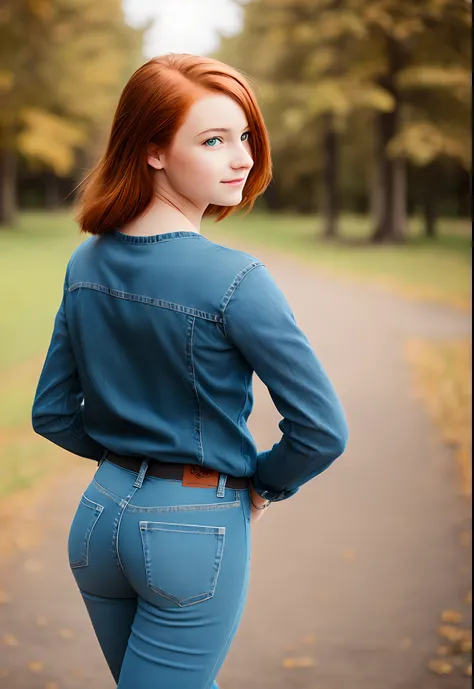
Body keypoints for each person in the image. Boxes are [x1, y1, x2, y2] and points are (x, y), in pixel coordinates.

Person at [31, 53, 349, 689]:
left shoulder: (86, 263)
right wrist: (262, 485)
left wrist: (129, 466)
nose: (244, 160)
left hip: (99, 519)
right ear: (152, 151)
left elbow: (53, 413)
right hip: (192, 527)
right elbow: (322, 430)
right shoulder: (238, 280)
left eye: (245, 138)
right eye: (214, 140)